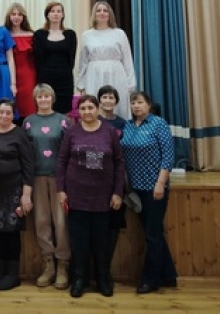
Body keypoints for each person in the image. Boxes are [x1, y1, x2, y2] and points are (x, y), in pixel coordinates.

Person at [56, 94, 125, 298]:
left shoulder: (110, 132)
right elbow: (61, 161)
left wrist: (118, 192)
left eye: (91, 108)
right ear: (79, 111)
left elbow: (119, 163)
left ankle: (102, 278)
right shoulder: (71, 132)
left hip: (103, 197)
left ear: (97, 109)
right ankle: (79, 279)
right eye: (83, 108)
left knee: (101, 241)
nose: (87, 112)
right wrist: (61, 190)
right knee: (79, 241)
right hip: (77, 196)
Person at [121, 91, 177, 294]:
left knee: (152, 235)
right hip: (135, 189)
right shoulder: (128, 125)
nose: (136, 106)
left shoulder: (158, 124)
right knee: (153, 233)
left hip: (154, 188)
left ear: (149, 105)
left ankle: (150, 279)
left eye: (140, 102)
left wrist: (160, 183)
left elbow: (168, 156)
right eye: (133, 103)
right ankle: (169, 275)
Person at [0, 98, 33, 291]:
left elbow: (28, 165)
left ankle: (12, 274)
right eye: (1, 112)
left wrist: (26, 194)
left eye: (8, 113)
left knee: (11, 233)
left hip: (13, 191)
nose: (4, 116)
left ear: (13, 115)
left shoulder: (19, 134)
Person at [22, 84, 70, 290]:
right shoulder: (28, 122)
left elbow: (68, 151)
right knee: (41, 221)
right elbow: (25, 152)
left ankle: (63, 264)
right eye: (39, 97)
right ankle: (48, 263)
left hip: (59, 178)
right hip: (37, 177)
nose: (43, 100)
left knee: (61, 222)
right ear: (35, 100)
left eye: (47, 96)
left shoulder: (63, 121)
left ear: (52, 98)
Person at [75, 1, 136, 121]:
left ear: (110, 14)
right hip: (94, 75)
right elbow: (83, 62)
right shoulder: (87, 35)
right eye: (98, 11)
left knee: (118, 106)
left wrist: (131, 83)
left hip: (116, 74)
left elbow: (127, 59)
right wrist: (81, 85)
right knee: (95, 106)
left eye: (105, 10)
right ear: (94, 14)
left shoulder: (119, 33)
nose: (102, 13)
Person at [98, 84, 128, 277]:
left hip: (117, 178)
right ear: (99, 100)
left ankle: (105, 270)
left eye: (111, 97)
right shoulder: (94, 121)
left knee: (113, 226)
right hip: (97, 180)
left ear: (116, 101)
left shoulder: (123, 124)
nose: (108, 101)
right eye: (104, 97)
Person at [33, 1, 78, 115]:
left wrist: (64, 73)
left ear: (63, 15)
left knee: (65, 111)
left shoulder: (70, 34)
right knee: (46, 109)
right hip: (46, 79)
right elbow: (38, 60)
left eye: (59, 11)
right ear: (47, 15)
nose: (56, 14)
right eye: (52, 11)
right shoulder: (39, 34)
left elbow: (71, 59)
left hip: (65, 80)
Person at [5, 3, 37, 119]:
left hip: (28, 75)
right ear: (9, 16)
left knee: (28, 106)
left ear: (24, 17)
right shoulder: (4, 34)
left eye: (19, 14)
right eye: (13, 14)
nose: (16, 17)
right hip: (8, 75)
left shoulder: (32, 35)